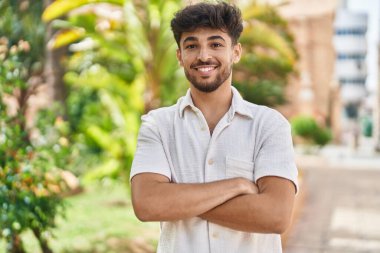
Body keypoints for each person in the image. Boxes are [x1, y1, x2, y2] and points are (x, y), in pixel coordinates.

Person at [130, 2, 298, 253]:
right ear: (180, 56)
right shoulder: (158, 125)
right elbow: (147, 204)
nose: (203, 56)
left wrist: (176, 201)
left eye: (216, 44)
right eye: (191, 45)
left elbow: (276, 216)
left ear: (236, 52)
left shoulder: (269, 125)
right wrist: (238, 186)